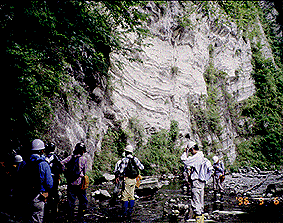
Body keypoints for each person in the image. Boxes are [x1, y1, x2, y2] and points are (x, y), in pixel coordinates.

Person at [22, 139, 53, 223]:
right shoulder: (43, 164)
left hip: (25, 195)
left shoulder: (24, 162)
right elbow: (49, 184)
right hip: (38, 197)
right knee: (37, 219)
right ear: (42, 150)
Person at [181, 141, 213, 223]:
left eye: (190, 151)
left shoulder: (196, 157)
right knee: (200, 201)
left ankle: (199, 220)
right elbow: (210, 170)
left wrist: (185, 152)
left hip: (196, 181)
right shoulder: (202, 156)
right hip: (201, 182)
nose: (190, 153)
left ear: (192, 149)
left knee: (196, 202)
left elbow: (184, 160)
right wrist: (206, 178)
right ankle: (200, 219)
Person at [61, 142, 88, 222]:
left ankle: (70, 218)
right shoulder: (84, 159)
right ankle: (80, 218)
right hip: (80, 183)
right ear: (83, 151)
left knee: (70, 202)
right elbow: (85, 171)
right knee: (83, 201)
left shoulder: (70, 157)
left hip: (70, 183)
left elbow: (61, 163)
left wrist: (65, 172)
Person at [117, 144, 144, 220]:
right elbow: (142, 167)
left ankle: (125, 214)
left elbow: (121, 171)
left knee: (125, 197)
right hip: (134, 180)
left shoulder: (124, 160)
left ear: (126, 152)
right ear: (131, 152)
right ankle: (130, 212)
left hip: (127, 180)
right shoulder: (135, 159)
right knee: (131, 195)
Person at [45, 143, 63, 219]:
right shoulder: (56, 158)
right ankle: (54, 211)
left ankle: (49, 211)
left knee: (50, 194)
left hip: (49, 178)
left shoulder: (45, 158)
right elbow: (61, 168)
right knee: (54, 194)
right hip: (54, 178)